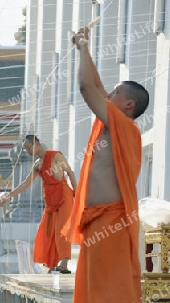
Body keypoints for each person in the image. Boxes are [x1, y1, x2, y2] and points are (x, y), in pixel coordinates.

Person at [63, 27, 149, 303]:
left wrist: (84, 47)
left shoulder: (123, 125)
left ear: (128, 104)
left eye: (114, 93)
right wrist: (83, 48)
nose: (107, 95)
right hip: (97, 221)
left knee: (107, 292)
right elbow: (97, 88)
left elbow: (88, 89)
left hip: (110, 221)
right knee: (94, 291)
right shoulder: (114, 123)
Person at [0, 135, 77, 273]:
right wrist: (8, 196)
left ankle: (64, 263)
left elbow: (70, 173)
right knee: (46, 231)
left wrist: (79, 196)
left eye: (29, 146)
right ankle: (52, 264)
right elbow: (25, 184)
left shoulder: (55, 156)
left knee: (63, 230)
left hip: (64, 196)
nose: (28, 150)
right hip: (50, 201)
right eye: (25, 149)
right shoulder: (37, 165)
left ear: (37, 143)